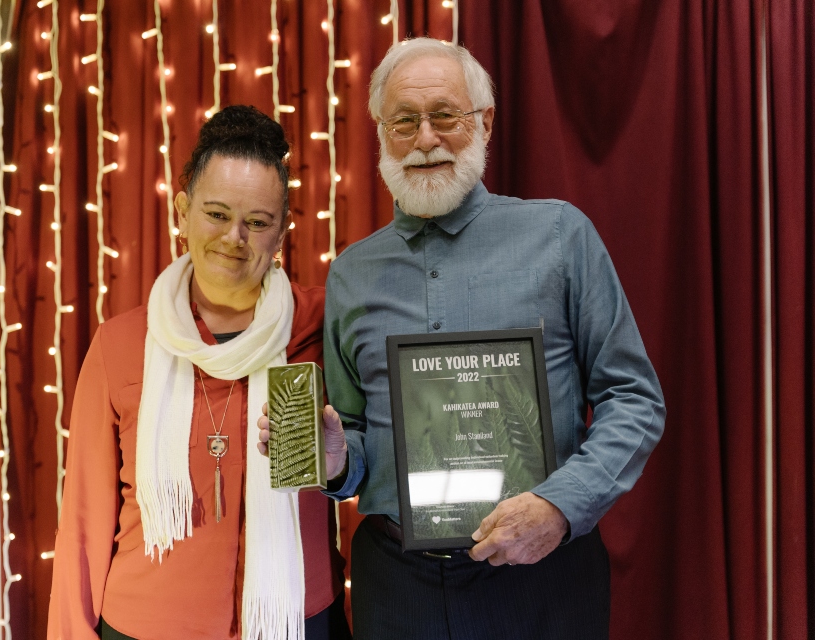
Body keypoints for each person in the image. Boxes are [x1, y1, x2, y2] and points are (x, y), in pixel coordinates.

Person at [260, 38, 665, 639]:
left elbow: (634, 398)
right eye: (404, 122)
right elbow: (358, 441)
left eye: (445, 115)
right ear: (380, 133)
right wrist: (338, 460)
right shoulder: (351, 273)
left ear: (485, 122)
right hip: (398, 590)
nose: (425, 139)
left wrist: (560, 506)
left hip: (545, 579)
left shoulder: (560, 236)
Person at [48, 105, 349, 640]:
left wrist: (341, 463)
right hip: (145, 625)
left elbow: (370, 463)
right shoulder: (119, 344)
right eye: (216, 213)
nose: (234, 237)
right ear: (183, 211)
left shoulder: (324, 327)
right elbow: (83, 522)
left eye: (257, 222)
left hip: (294, 621)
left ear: (281, 231)